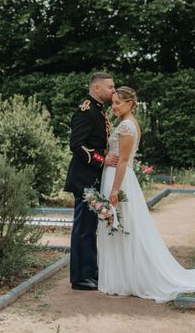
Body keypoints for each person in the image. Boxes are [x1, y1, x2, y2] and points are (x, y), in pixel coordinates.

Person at [97, 86, 195, 302]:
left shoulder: (127, 126)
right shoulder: (125, 124)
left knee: (123, 226)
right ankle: (122, 277)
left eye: (118, 102)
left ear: (130, 103)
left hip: (119, 180)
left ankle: (128, 278)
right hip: (114, 177)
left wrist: (115, 189)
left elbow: (125, 161)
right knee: (119, 227)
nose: (114, 106)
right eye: (113, 103)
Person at [64, 72, 118, 291]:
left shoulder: (98, 111)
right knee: (83, 229)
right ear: (97, 88)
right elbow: (76, 145)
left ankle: (90, 272)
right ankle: (80, 278)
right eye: (110, 87)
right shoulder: (86, 111)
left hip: (92, 179)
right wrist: (101, 160)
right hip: (83, 179)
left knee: (90, 228)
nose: (113, 90)